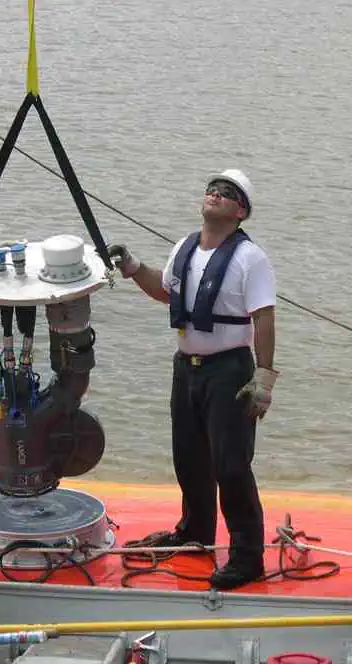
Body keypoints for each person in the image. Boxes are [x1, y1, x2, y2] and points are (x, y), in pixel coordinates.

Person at [108, 169, 278, 591]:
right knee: (189, 458)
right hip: (187, 368)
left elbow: (263, 317)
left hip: (229, 371)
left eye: (228, 193)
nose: (216, 194)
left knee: (232, 465)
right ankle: (195, 533)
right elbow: (166, 292)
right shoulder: (184, 247)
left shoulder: (250, 259)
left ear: (241, 212)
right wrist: (132, 266)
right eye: (212, 188)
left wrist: (263, 377)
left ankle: (247, 557)